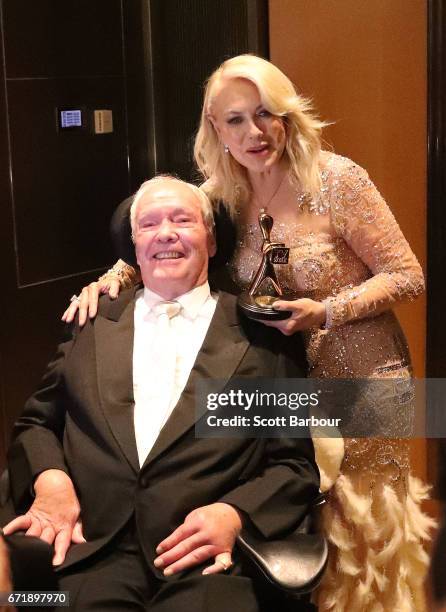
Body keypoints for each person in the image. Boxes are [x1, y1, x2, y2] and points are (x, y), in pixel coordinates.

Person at [63, 54, 435, 611]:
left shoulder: (339, 180)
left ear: (288, 115)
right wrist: (109, 279)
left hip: (359, 377)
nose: (254, 132)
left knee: (363, 535)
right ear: (215, 128)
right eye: (234, 119)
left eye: (266, 113)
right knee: (292, 517)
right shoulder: (221, 192)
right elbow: (168, 237)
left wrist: (325, 312)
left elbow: (408, 275)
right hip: (278, 382)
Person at [2, 176, 319, 612]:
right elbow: (37, 423)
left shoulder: (262, 336)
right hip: (92, 551)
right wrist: (50, 479)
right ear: (134, 246)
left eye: (182, 220)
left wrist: (233, 514)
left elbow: (292, 465)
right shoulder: (92, 323)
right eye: (149, 224)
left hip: (210, 560)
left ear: (210, 241)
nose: (165, 232)